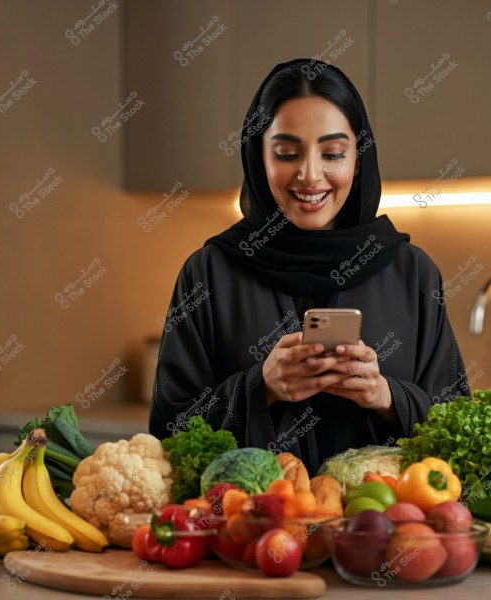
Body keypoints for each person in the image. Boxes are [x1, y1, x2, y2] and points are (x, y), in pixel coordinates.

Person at [149, 58, 468, 476]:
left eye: (333, 153)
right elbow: (167, 438)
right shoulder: (209, 273)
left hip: (382, 535)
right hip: (248, 535)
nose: (310, 175)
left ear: (360, 156)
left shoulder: (412, 274)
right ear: (258, 156)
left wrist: (386, 397)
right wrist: (258, 389)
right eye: (286, 153)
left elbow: (461, 434)